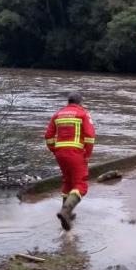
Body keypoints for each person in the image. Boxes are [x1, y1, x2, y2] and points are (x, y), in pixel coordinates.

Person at [45, 92, 96, 230]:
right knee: (80, 184)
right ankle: (66, 212)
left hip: (60, 153)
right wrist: (87, 154)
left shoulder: (57, 114)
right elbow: (90, 137)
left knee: (68, 182)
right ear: (80, 102)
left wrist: (54, 149)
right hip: (76, 153)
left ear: (68, 102)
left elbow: (48, 136)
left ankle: (66, 216)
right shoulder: (83, 114)